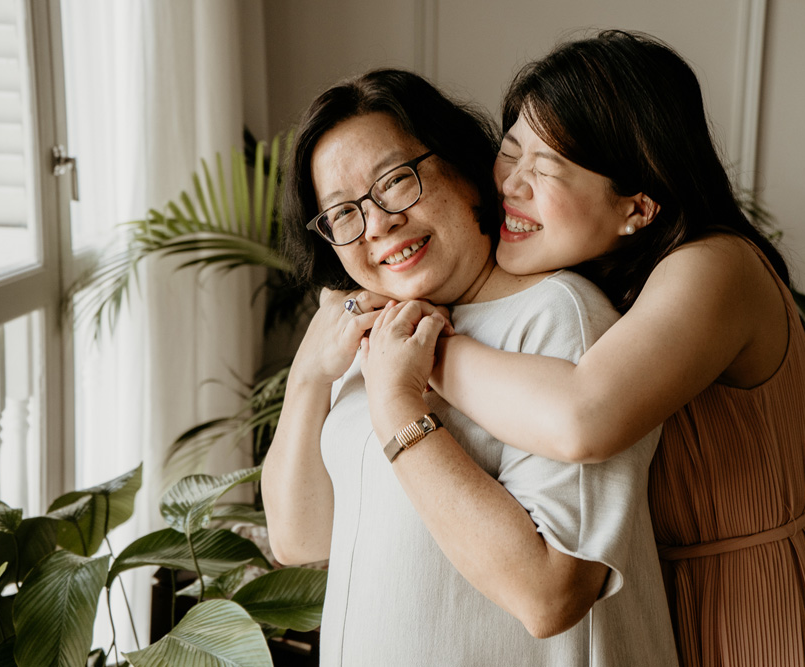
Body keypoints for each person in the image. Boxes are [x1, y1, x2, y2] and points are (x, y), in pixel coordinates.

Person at [381, 30, 805, 666]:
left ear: (637, 207)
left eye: (544, 170)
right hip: (654, 609)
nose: (511, 185)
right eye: (509, 152)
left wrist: (410, 352)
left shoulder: (715, 266)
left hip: (748, 607)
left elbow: (583, 418)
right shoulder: (598, 281)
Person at [261, 68, 678, 666]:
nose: (377, 223)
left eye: (396, 182)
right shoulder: (374, 331)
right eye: (343, 214)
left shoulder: (558, 317)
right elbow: (299, 537)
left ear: (465, 170)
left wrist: (398, 407)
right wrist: (308, 376)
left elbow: (550, 595)